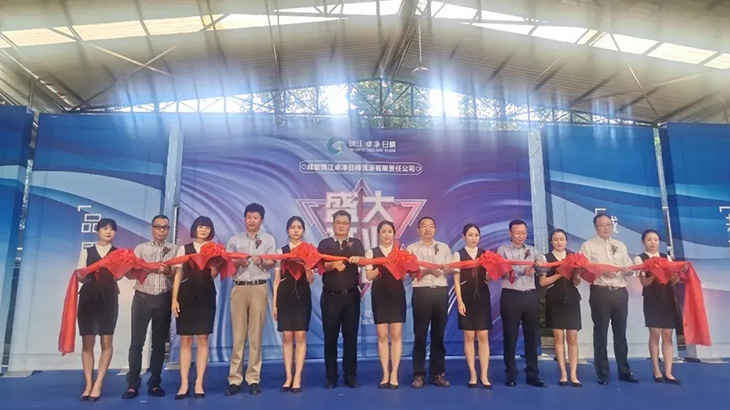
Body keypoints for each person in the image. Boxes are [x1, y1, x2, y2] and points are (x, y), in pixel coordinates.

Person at [579, 213, 639, 385]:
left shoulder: (620, 245)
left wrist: (629, 271)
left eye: (609, 225)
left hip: (620, 292)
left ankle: (624, 371)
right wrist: (601, 271)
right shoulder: (588, 246)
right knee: (601, 333)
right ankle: (602, 372)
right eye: (602, 225)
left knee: (620, 333)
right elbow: (583, 268)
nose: (606, 228)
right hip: (601, 292)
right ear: (595, 227)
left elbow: (628, 267)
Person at [123, 215, 176, 399]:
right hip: (142, 298)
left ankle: (155, 382)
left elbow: (177, 275)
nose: (161, 230)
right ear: (151, 228)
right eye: (158, 227)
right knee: (137, 342)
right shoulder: (141, 248)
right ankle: (132, 383)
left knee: (159, 344)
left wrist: (168, 270)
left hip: (164, 298)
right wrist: (149, 268)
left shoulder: (174, 249)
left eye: (165, 227)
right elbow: (131, 273)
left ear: (168, 229)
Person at [225, 203, 276, 396]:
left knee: (255, 337)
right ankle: (235, 379)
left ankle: (253, 378)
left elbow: (272, 262)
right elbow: (227, 264)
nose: (252, 220)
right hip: (239, 288)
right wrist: (238, 262)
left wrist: (262, 261)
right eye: (249, 217)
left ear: (262, 220)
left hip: (259, 288)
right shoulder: (235, 239)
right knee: (238, 336)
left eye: (256, 217)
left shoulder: (268, 239)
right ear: (244, 218)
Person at [171, 216, 219, 400]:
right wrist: (174, 299)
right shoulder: (184, 249)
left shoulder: (214, 249)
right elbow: (178, 275)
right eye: (201, 227)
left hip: (206, 296)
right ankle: (184, 383)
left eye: (207, 227)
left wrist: (215, 267)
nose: (204, 230)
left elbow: (213, 275)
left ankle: (199, 382)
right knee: (185, 340)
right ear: (195, 229)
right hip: (186, 296)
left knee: (203, 339)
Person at [317, 210, 365, 389]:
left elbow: (363, 262)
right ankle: (331, 377)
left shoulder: (356, 243)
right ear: (333, 224)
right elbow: (319, 266)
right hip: (330, 297)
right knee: (330, 338)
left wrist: (359, 260)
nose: (341, 226)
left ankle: (350, 375)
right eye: (338, 222)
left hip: (351, 297)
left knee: (350, 338)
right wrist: (332, 265)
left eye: (345, 223)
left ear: (349, 225)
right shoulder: (325, 244)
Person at [497, 219, 546, 388]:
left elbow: (544, 268)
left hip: (530, 296)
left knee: (532, 336)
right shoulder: (502, 250)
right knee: (510, 336)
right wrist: (521, 271)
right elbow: (502, 273)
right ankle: (511, 374)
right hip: (511, 296)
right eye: (517, 233)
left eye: (524, 232)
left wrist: (541, 265)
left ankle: (533, 374)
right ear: (510, 233)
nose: (521, 236)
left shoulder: (533, 250)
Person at [76, 218, 120, 402]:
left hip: (109, 299)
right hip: (88, 299)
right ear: (97, 231)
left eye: (112, 229)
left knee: (106, 341)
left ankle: (99, 383)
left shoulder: (118, 253)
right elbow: (80, 276)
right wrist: (85, 274)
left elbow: (120, 275)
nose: (108, 232)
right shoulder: (87, 251)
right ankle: (88, 384)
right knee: (87, 343)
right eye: (104, 228)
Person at [407, 216, 453, 389]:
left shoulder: (444, 247)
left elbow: (449, 269)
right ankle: (418, 374)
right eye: (424, 226)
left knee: (438, 335)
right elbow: (412, 274)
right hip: (422, 292)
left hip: (440, 292)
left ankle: (437, 373)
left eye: (431, 226)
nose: (428, 229)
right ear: (418, 230)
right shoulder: (411, 249)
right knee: (420, 335)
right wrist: (427, 270)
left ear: (435, 229)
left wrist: (446, 269)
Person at [272, 216, 314, 393]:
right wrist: (274, 304)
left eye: (299, 227)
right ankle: (288, 376)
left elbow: (310, 279)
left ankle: (298, 377)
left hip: (302, 295)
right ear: (288, 230)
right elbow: (277, 280)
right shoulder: (281, 251)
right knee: (287, 337)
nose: (296, 230)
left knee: (300, 336)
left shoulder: (309, 251)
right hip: (285, 296)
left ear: (303, 230)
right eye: (292, 227)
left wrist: (306, 266)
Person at [635, 229, 681, 385]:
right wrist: (655, 272)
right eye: (649, 240)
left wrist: (676, 274)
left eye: (655, 240)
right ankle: (656, 370)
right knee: (654, 334)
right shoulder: (640, 259)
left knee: (667, 335)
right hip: (652, 298)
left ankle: (668, 372)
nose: (653, 243)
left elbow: (672, 282)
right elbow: (644, 283)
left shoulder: (666, 257)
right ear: (643, 242)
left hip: (667, 298)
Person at [538, 228, 582, 387]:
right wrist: (559, 274)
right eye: (556, 239)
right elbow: (542, 282)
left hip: (571, 300)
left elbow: (576, 282)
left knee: (572, 337)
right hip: (555, 300)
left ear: (566, 241)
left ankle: (574, 374)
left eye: (562, 239)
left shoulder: (573, 257)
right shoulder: (545, 258)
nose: (559, 242)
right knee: (558, 338)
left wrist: (577, 275)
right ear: (551, 242)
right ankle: (563, 373)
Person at [365, 221, 406, 389]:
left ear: (394, 234)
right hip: (379, 295)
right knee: (382, 336)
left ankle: (394, 373)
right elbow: (369, 276)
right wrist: (382, 265)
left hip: (397, 295)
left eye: (390, 231)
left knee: (396, 335)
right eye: (384, 231)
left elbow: (404, 277)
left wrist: (397, 263)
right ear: (379, 234)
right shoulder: (372, 253)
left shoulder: (400, 252)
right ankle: (385, 374)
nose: (387, 234)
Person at [453, 223, 492, 389]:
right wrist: (460, 301)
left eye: (476, 235)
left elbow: (488, 278)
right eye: (470, 235)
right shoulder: (458, 254)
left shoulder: (485, 254)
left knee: (483, 336)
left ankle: (484, 375)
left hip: (482, 298)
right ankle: (473, 375)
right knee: (469, 336)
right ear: (463, 237)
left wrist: (493, 269)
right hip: (466, 298)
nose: (473, 238)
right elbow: (456, 280)